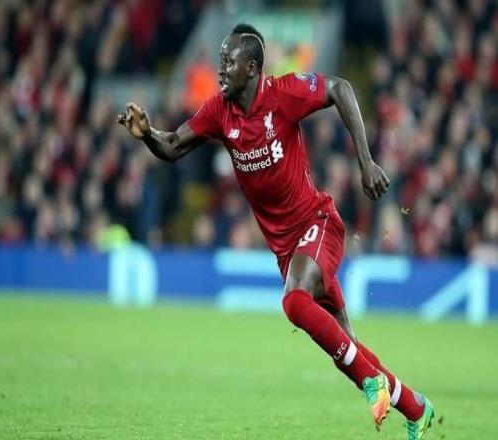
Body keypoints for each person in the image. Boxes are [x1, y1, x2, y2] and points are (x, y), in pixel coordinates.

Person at [118, 23, 434, 439]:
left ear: (251, 68)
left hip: (318, 224)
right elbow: (174, 144)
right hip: (286, 248)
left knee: (294, 302)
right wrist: (147, 135)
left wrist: (366, 162)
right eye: (219, 61)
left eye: (228, 62)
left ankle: (371, 383)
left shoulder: (284, 93)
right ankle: (416, 408)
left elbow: (340, 88)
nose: (219, 70)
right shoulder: (219, 111)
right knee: (347, 347)